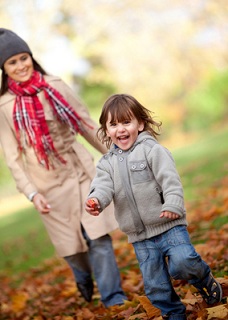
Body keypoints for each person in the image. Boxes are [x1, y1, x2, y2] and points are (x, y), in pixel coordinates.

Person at [0, 28, 127, 307]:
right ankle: (82, 277)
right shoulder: (5, 106)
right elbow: (13, 158)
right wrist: (32, 193)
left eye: (24, 58)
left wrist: (118, 154)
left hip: (81, 172)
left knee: (99, 237)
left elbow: (85, 124)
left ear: (31, 57)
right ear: (4, 68)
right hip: (47, 184)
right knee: (72, 250)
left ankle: (113, 298)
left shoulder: (55, 85)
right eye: (13, 62)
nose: (21, 65)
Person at [85, 94, 223, 319]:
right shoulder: (106, 163)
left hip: (169, 225)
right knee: (156, 286)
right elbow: (102, 186)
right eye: (113, 124)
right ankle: (174, 315)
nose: (120, 129)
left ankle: (203, 279)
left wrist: (173, 204)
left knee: (183, 262)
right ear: (106, 130)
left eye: (126, 122)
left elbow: (170, 180)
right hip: (140, 237)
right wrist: (96, 200)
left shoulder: (152, 150)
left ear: (139, 124)